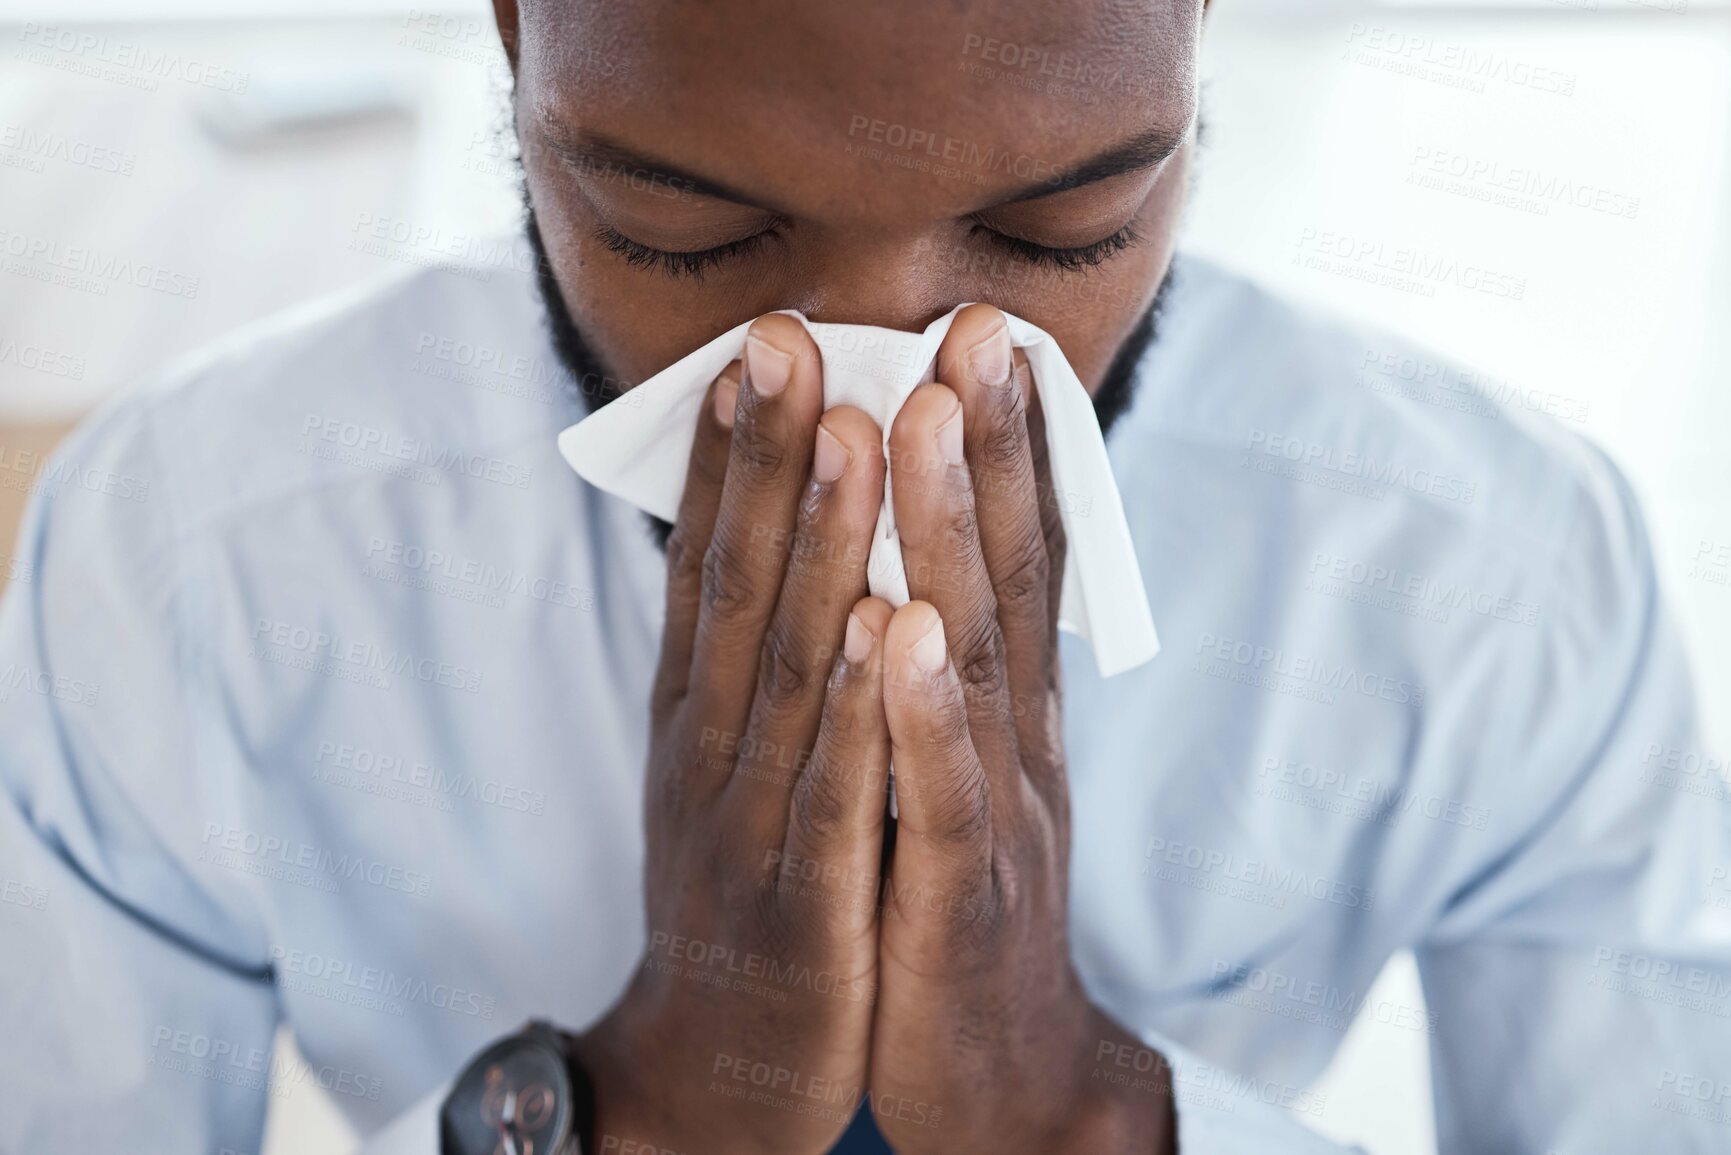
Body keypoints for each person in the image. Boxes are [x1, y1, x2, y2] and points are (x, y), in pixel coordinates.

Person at [2, 0, 1726, 1152]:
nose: (877, 388)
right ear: (515, 38)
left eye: (1066, 233)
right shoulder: (184, 576)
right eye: (686, 234)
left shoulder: (1493, 581)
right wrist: (629, 1115)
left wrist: (1087, 1116)